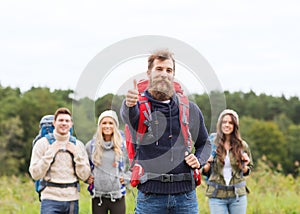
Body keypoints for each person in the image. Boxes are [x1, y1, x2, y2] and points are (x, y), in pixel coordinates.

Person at [120, 49, 211, 214]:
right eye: (159, 69)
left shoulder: (190, 108)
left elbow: (205, 143)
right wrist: (128, 104)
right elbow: (128, 117)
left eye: (169, 70)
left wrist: (199, 160)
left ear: (173, 75)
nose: (164, 74)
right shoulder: (138, 107)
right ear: (149, 73)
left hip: (186, 197)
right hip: (150, 196)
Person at [29, 107, 91, 214]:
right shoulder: (42, 144)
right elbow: (35, 174)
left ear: (71, 124)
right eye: (61, 120)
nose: (64, 123)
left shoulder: (78, 145)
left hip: (72, 198)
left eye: (67, 121)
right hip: (50, 198)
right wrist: (50, 153)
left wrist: (76, 154)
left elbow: (85, 175)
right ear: (54, 123)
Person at [202, 109, 254, 214]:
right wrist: (207, 162)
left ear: (235, 126)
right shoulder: (211, 143)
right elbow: (203, 170)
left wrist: (244, 164)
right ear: (220, 124)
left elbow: (247, 170)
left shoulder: (242, 146)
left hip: (238, 195)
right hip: (216, 195)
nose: (227, 125)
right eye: (224, 122)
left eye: (230, 123)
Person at [85, 110, 130, 214]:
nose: (107, 126)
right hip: (98, 197)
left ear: (115, 126)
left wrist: (127, 177)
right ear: (99, 125)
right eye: (104, 123)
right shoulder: (90, 146)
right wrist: (87, 178)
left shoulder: (123, 146)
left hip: (117, 196)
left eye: (111, 123)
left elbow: (133, 166)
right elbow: (83, 167)